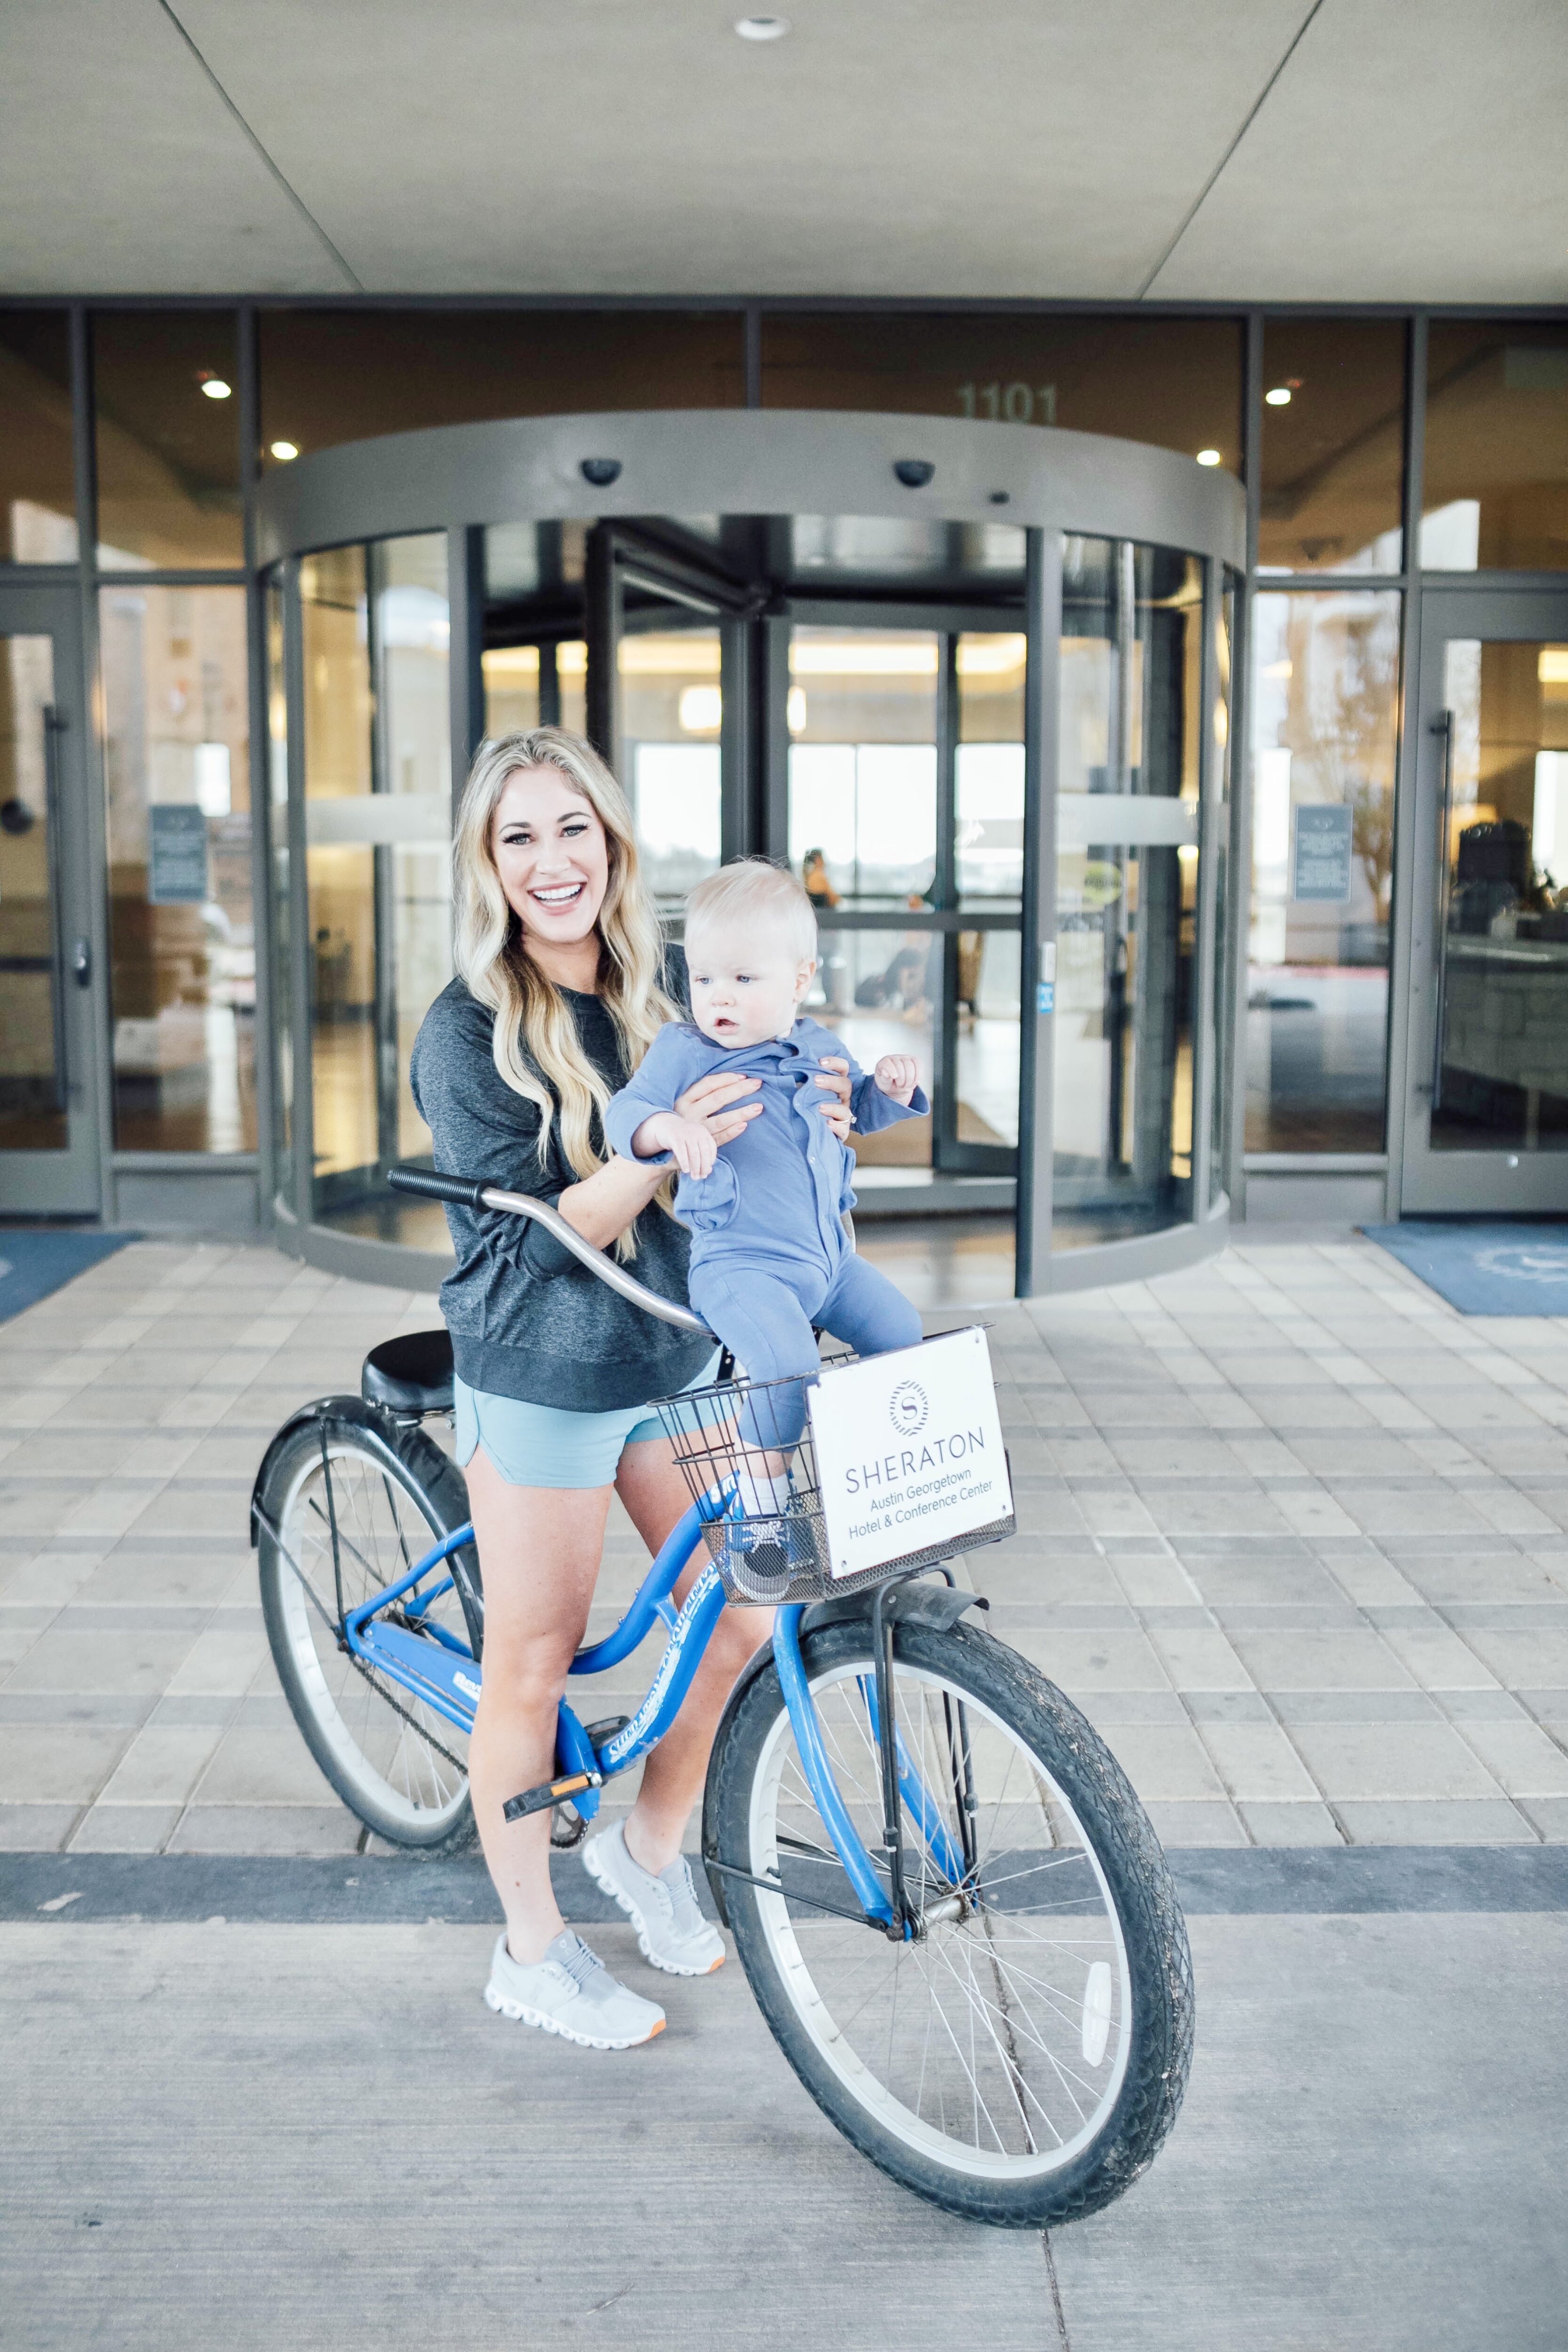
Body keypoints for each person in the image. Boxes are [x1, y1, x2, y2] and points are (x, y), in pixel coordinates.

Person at [410, 731, 856, 2052]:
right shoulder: (466, 1026)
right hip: (543, 1369)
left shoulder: (674, 987)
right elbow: (548, 1230)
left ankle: (647, 1846)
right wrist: (673, 1150)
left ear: (610, 844)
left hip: (670, 1352)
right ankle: (528, 1949)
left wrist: (821, 1109)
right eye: (518, 837)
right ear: (488, 864)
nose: (551, 863)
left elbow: (773, 1112)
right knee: (532, 1665)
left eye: (571, 831)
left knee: (743, 1593)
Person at [605, 860, 927, 1571]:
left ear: (800, 978)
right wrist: (665, 1132)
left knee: (904, 1335)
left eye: (743, 980)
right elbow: (625, 1112)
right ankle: (763, 1510)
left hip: (830, 1262)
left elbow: (857, 1110)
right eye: (705, 979)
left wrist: (892, 1090)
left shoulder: (820, 1046)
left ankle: (889, 1483)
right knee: (786, 1365)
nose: (718, 998)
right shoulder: (683, 1051)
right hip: (740, 1267)